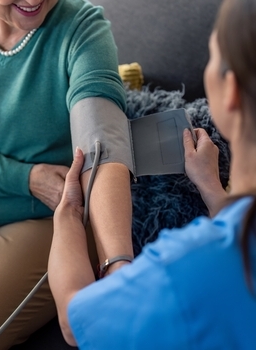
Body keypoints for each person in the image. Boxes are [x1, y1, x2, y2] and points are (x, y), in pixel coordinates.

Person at [0, 0, 135, 348]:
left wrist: (119, 263)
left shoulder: (83, 27)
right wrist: (27, 178)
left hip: (47, 220)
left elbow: (104, 142)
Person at [48, 0, 256, 348]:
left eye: (213, 55)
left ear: (230, 89)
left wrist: (68, 216)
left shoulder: (184, 268)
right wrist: (213, 189)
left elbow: (75, 321)